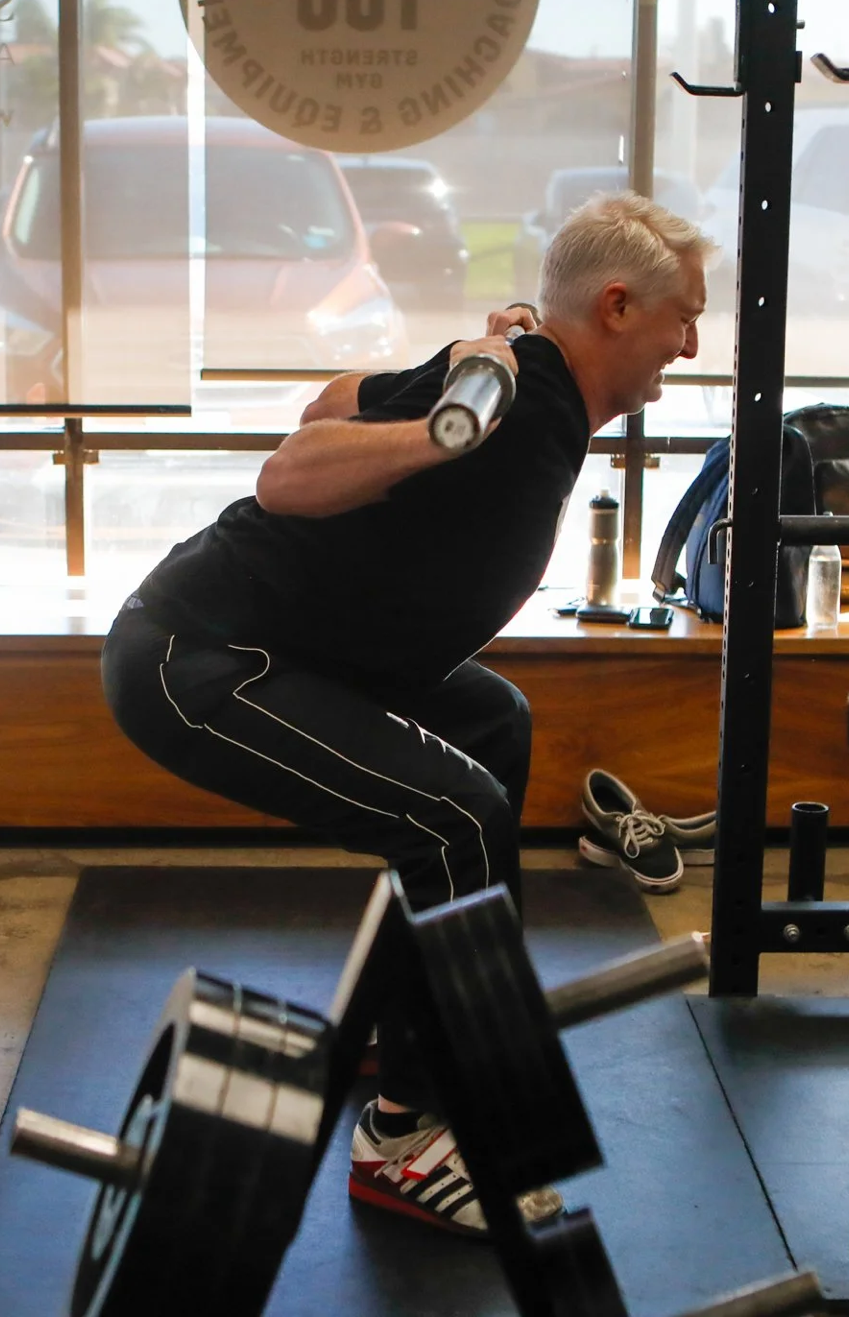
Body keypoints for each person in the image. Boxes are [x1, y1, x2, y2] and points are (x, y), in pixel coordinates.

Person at [102, 192, 712, 1233]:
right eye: (682, 317)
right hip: (200, 659)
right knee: (454, 819)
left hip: (299, 649)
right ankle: (406, 1136)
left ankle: (414, 1026)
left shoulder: (521, 375)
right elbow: (289, 470)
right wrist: (440, 427)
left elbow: (332, 399)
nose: (690, 346)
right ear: (616, 306)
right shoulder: (511, 393)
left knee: (494, 723)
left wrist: (454, 371)